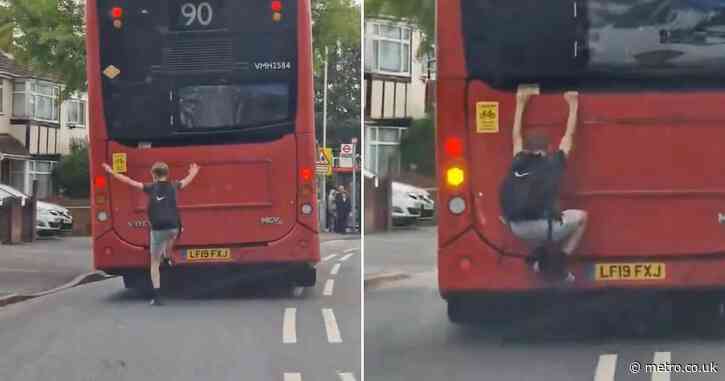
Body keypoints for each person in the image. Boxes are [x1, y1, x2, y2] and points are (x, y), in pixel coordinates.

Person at [499, 88, 588, 282]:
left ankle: (538, 261)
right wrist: (573, 104)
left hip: (516, 227)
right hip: (544, 227)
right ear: (547, 148)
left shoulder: (518, 159)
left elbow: (516, 136)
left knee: (535, 228)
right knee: (582, 218)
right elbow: (568, 136)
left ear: (528, 149)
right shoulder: (553, 162)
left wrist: (520, 103)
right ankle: (560, 263)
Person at [102, 161, 200, 305]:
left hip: (158, 229)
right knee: (173, 235)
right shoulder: (174, 185)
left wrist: (111, 172)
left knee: (154, 263)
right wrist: (194, 172)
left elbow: (129, 182)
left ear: (153, 175)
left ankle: (157, 296)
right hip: (173, 227)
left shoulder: (150, 187)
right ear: (167, 174)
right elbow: (187, 180)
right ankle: (167, 256)